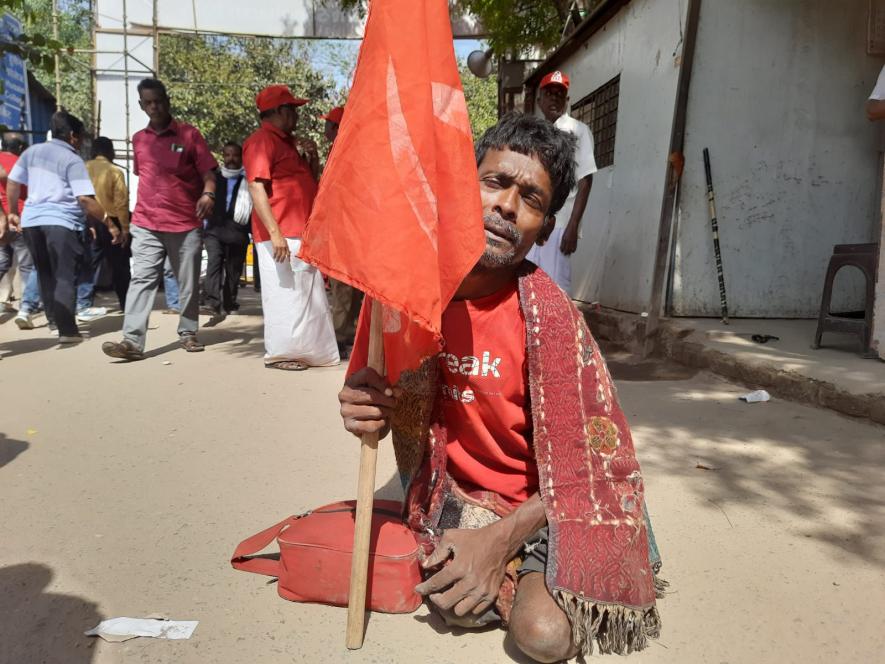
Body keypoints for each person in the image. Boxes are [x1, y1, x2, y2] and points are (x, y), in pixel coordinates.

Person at [339, 113, 661, 661]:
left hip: (547, 502)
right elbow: (372, 398)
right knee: (452, 599)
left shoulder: (553, 320)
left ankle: (519, 563)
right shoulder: (402, 297)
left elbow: (597, 468)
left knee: (543, 637)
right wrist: (362, 410)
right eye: (494, 183)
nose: (507, 206)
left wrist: (500, 540)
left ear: (546, 227)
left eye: (531, 198)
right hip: (453, 494)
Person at [102, 77, 217, 361]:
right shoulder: (139, 140)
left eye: (158, 101)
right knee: (141, 279)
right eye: (148, 103)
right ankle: (131, 341)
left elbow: (209, 174)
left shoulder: (190, 135)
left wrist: (209, 194)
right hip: (146, 222)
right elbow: (145, 176)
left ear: (167, 102)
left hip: (185, 224)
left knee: (187, 282)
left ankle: (188, 332)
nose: (154, 107)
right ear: (142, 105)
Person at [242, 84, 339, 370]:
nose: (297, 115)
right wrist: (275, 234)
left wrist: (312, 160)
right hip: (281, 232)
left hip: (299, 230)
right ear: (281, 112)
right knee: (284, 295)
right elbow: (256, 187)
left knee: (305, 295)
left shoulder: (286, 143)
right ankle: (282, 353)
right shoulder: (261, 141)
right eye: (293, 110)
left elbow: (303, 184)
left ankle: (309, 351)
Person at [4, 112, 118, 344]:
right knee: (65, 275)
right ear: (73, 136)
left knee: (45, 274)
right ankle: (67, 330)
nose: (81, 142)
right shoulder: (71, 158)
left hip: (32, 222)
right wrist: (108, 221)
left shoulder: (31, 152)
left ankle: (55, 323)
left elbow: (13, 182)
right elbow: (84, 199)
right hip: (62, 222)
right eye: (81, 137)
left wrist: (13, 211)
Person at [526, 70, 597, 294]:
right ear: (540, 101)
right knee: (527, 284)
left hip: (561, 224)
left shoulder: (578, 131)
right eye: (549, 93)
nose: (554, 98)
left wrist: (573, 226)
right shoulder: (533, 134)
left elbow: (585, 180)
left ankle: (559, 329)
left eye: (560, 94)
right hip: (533, 221)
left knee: (555, 288)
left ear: (567, 100)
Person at [318, 105, 363, 356]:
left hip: (345, 232)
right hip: (345, 231)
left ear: (337, 127)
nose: (325, 128)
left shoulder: (345, 152)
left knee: (345, 289)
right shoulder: (342, 151)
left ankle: (339, 337)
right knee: (348, 288)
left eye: (329, 124)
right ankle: (347, 336)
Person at [77, 137, 131, 319]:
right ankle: (127, 304)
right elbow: (121, 202)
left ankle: (83, 303)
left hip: (88, 220)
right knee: (120, 267)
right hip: (112, 221)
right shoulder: (114, 171)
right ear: (110, 151)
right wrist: (124, 228)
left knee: (89, 264)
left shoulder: (82, 167)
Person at [201, 141, 251, 319]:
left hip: (238, 232)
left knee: (233, 270)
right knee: (214, 262)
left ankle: (229, 301)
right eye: (228, 155)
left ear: (241, 157)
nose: (231, 159)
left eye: (235, 155)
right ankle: (212, 302)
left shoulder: (249, 179)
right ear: (223, 156)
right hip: (214, 230)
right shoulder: (213, 178)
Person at [0, 132, 41, 330]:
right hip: (20, 217)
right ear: (19, 147)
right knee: (27, 263)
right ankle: (26, 305)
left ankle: (3, 301)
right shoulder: (23, 164)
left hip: (1, 220)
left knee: (3, 261)